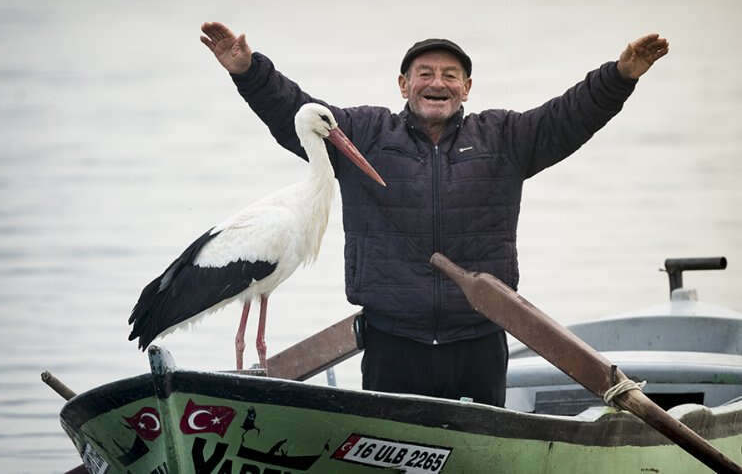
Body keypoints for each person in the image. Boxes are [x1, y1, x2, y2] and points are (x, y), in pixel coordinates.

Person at [200, 22, 668, 406]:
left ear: (467, 88)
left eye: (450, 75)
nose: (437, 83)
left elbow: (569, 117)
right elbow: (295, 113)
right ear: (403, 85)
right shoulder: (365, 134)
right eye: (424, 73)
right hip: (392, 343)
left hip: (479, 340)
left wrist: (620, 76)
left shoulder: (504, 137)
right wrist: (248, 71)